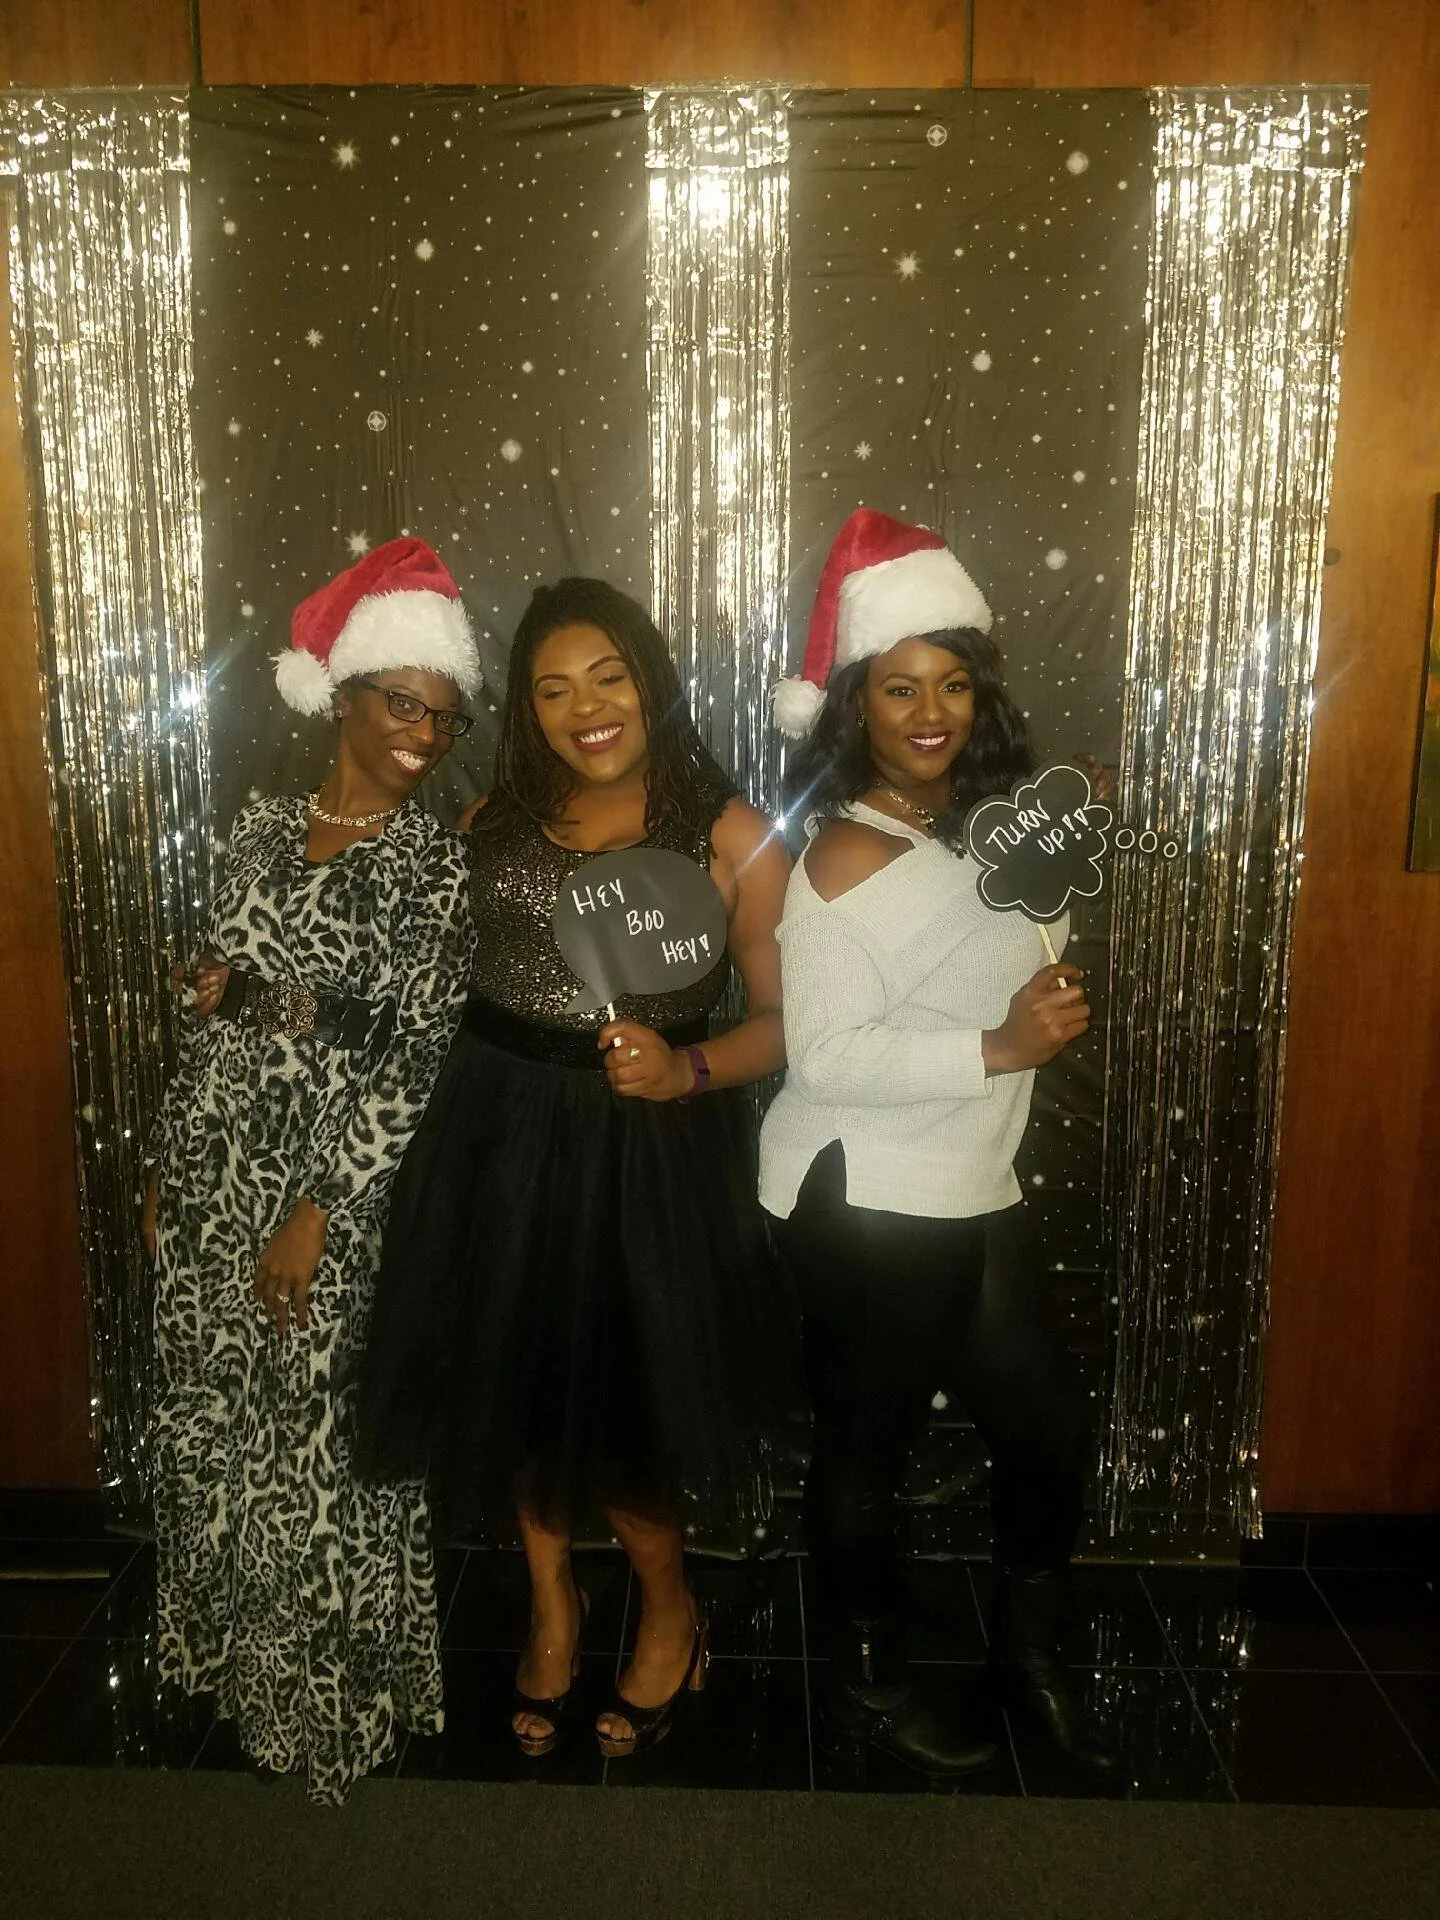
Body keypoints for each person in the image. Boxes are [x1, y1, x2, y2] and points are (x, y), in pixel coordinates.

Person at [357, 576, 794, 1760]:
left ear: (650, 681)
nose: (584, 707)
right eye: (552, 689)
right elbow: (422, 968)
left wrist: (687, 1071)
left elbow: (786, 1020)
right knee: (514, 1377)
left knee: (631, 1403)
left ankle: (668, 1606)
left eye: (606, 676)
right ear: (528, 712)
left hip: (646, 1144)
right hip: (495, 1131)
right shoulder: (492, 815)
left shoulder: (731, 832)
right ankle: (553, 1602)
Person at [761, 508, 1119, 1787]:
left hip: (973, 1178)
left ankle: (1027, 1658)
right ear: (857, 703)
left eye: (952, 683)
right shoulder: (844, 858)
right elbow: (825, 1057)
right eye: (899, 687)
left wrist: (1063, 841)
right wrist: (1002, 1046)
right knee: (868, 1449)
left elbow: (1012, 942)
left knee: (1047, 1430)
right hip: (866, 1191)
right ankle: (866, 1682)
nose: (931, 712)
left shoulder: (979, 831)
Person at [142, 538, 483, 1802]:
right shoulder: (258, 828)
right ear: (339, 695)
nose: (423, 734)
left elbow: (411, 1063)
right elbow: (209, 1003)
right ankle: (230, 1670)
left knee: (317, 1445)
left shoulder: (433, 867)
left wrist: (320, 1208)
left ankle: (330, 1701)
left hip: (323, 1187)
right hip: (215, 1164)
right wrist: (174, 1168)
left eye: (443, 718)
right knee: (211, 1415)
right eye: (403, 702)